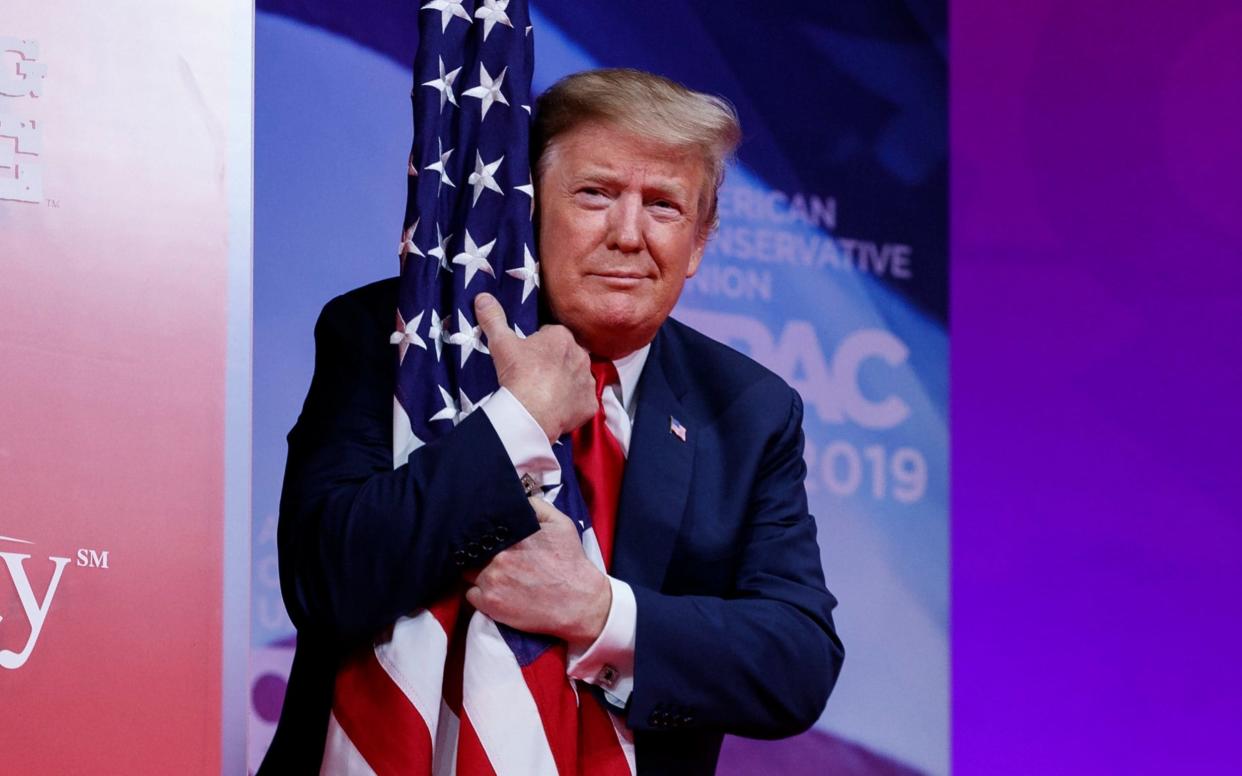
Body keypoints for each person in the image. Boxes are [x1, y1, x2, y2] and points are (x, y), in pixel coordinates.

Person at [261, 69, 844, 775]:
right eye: (595, 194)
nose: (629, 234)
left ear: (698, 242)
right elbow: (326, 579)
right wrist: (518, 421)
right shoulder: (396, 339)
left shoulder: (748, 410)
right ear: (527, 210)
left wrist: (600, 615)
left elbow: (798, 660)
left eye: (663, 205)